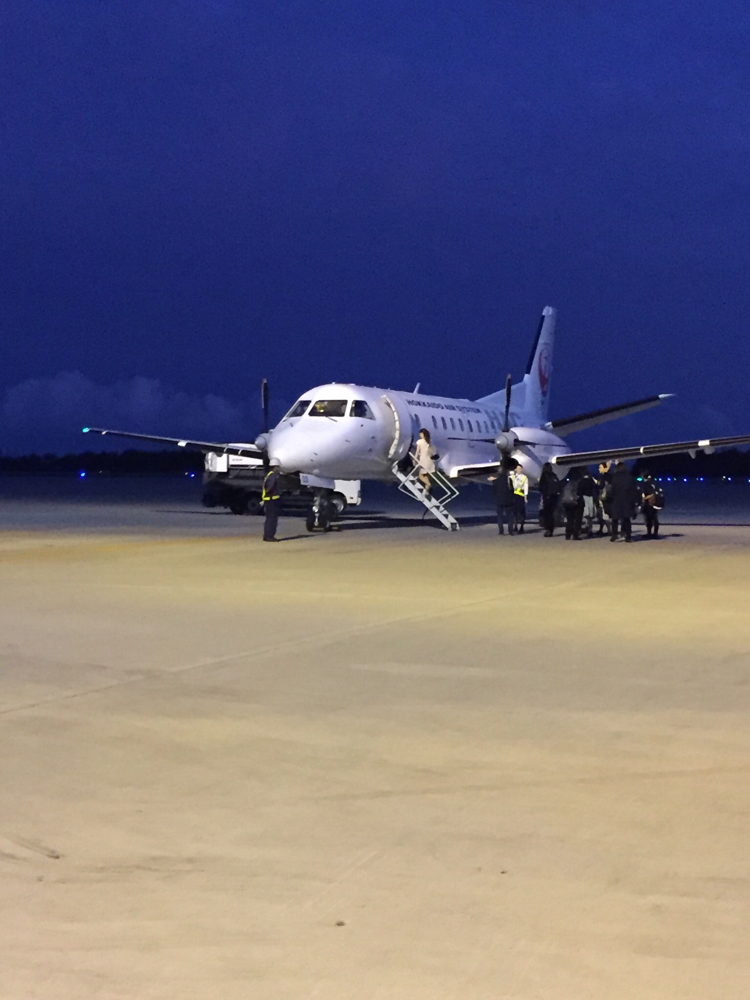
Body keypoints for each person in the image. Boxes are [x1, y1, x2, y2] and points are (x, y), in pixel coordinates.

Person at [609, 461, 639, 542]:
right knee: (626, 519)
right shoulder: (630, 478)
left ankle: (614, 535)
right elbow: (633, 491)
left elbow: (612, 491)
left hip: (616, 500)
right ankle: (628, 536)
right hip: (627, 501)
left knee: (615, 519)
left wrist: (611, 498)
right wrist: (634, 502)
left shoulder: (615, 478)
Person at [490, 460, 516, 535]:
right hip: (508, 500)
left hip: (499, 500)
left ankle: (501, 531)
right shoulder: (509, 479)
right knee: (510, 516)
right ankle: (510, 530)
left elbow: (493, 491)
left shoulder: (496, 481)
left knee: (500, 516)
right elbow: (512, 489)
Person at [538, 462, 562, 536]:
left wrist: (545, 493)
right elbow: (559, 486)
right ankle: (553, 526)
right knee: (553, 512)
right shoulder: (554, 475)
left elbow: (541, 487)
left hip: (547, 497)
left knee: (547, 514)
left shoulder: (544, 476)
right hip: (555, 497)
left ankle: (548, 529)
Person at [560, 467, 584, 539]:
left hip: (566, 502)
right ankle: (575, 535)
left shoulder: (565, 481)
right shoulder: (578, 481)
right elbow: (581, 491)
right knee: (577, 519)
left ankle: (568, 534)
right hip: (576, 501)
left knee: (569, 519)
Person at [261, 463, 282, 542]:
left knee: (269, 518)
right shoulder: (274, 475)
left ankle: (267, 535)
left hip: (268, 499)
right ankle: (269, 536)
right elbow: (270, 486)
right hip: (272, 500)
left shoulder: (268, 474)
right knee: (272, 519)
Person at [639, 470, 663, 539]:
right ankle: (655, 533)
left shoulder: (646, 483)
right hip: (656, 503)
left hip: (649, 503)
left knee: (649, 519)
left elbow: (651, 493)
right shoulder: (654, 482)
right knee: (654, 518)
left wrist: (644, 499)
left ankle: (649, 533)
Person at [413, 428, 436, 495]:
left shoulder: (419, 442)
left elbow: (417, 451)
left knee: (421, 475)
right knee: (426, 476)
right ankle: (426, 492)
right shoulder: (429, 441)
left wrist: (414, 459)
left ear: (422, 434)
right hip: (430, 461)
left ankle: (428, 485)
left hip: (423, 461)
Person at [577, 467, 598, 535]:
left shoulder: (581, 481)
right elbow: (595, 488)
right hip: (590, 498)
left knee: (584, 514)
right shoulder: (591, 480)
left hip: (584, 498)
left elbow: (579, 490)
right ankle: (589, 529)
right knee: (590, 516)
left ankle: (583, 528)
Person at [595, 460, 614, 535]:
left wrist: (596, 483)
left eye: (600, 467)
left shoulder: (603, 477)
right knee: (607, 514)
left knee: (604, 514)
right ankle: (609, 529)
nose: (599, 469)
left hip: (604, 497)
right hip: (610, 497)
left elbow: (601, 486)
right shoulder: (611, 476)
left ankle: (609, 530)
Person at [510, 462, 529, 533]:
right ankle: (515, 526)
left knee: (521, 512)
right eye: (518, 468)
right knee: (514, 512)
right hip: (513, 495)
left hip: (520, 495)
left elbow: (526, 487)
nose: (519, 470)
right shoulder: (512, 476)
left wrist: (525, 496)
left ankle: (521, 527)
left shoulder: (524, 477)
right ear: (515, 469)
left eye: (520, 468)